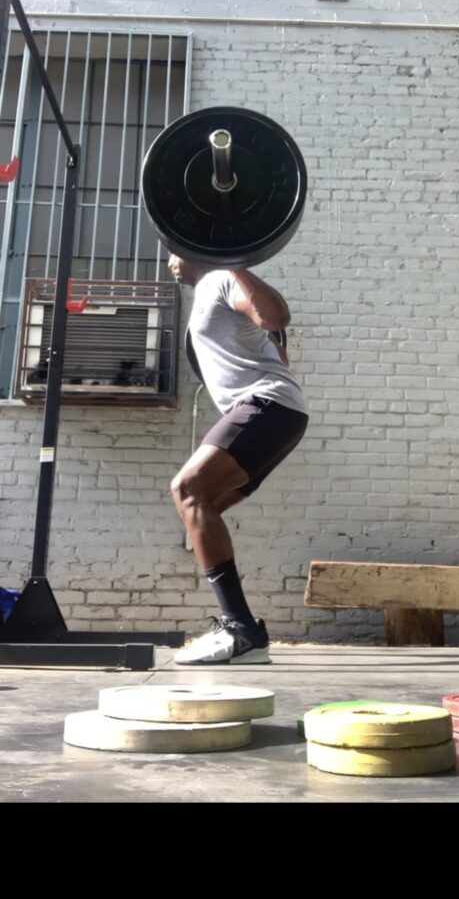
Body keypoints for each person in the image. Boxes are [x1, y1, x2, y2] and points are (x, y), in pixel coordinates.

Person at [168, 255, 309, 664]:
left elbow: (276, 315)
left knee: (188, 489)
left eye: (176, 250)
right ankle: (243, 631)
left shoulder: (220, 279)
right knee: (198, 508)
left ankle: (240, 630)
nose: (171, 260)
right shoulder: (207, 295)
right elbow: (279, 357)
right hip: (281, 413)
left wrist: (232, 261)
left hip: (269, 406)